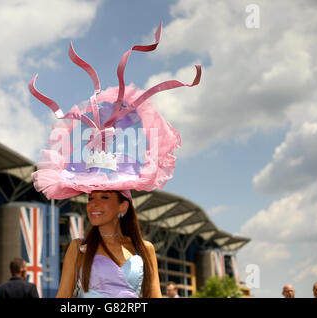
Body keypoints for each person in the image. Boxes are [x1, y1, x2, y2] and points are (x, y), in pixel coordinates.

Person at [28, 22, 201, 298]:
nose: (93, 204)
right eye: (91, 198)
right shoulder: (79, 247)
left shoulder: (145, 250)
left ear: (123, 205)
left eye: (103, 198)